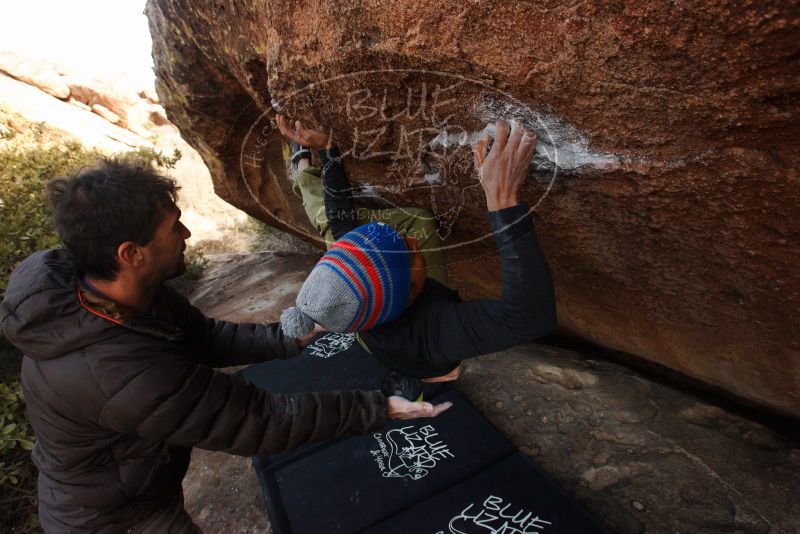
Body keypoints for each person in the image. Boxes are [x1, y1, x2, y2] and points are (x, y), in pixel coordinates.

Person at [0, 159, 451, 533]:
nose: (187, 236)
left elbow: (204, 338)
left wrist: (286, 337)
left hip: (135, 488)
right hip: (116, 519)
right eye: (173, 227)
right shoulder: (116, 372)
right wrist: (378, 408)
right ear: (130, 253)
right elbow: (261, 421)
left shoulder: (115, 295)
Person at [277, 116, 557, 393]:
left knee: (339, 223)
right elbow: (529, 318)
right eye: (409, 253)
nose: (413, 242)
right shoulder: (435, 332)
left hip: (377, 325)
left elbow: (341, 224)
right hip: (417, 352)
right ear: (411, 292)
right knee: (330, 219)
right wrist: (502, 200)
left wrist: (328, 150)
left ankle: (305, 167)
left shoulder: (358, 303)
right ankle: (302, 172)